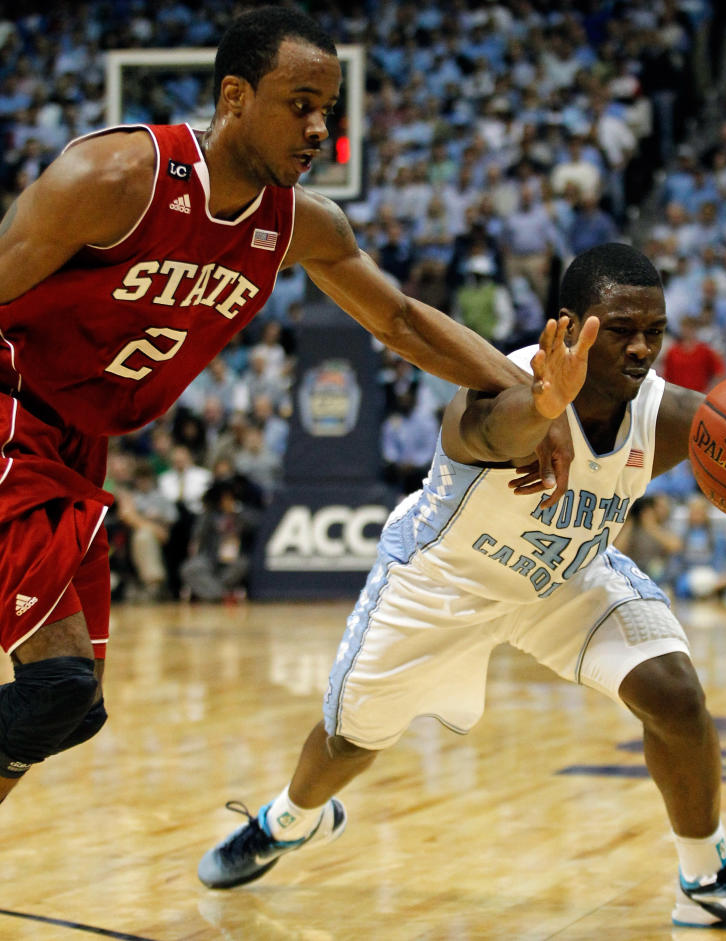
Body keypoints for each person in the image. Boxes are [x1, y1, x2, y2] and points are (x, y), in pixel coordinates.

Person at [198, 244, 726, 934]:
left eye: (653, 330)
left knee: (675, 696)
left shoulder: (668, 414)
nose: (640, 348)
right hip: (443, 584)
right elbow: (493, 432)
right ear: (568, 323)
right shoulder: (496, 382)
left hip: (566, 576)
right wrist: (542, 409)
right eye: (621, 328)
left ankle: (705, 878)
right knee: (348, 743)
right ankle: (288, 820)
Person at [0, 7, 569, 803]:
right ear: (234, 96)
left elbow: (402, 320)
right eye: (299, 104)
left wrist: (532, 396)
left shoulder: (298, 225)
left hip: (74, 442)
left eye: (327, 112)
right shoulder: (115, 180)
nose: (317, 128)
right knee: (55, 686)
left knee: (68, 707)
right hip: (11, 407)